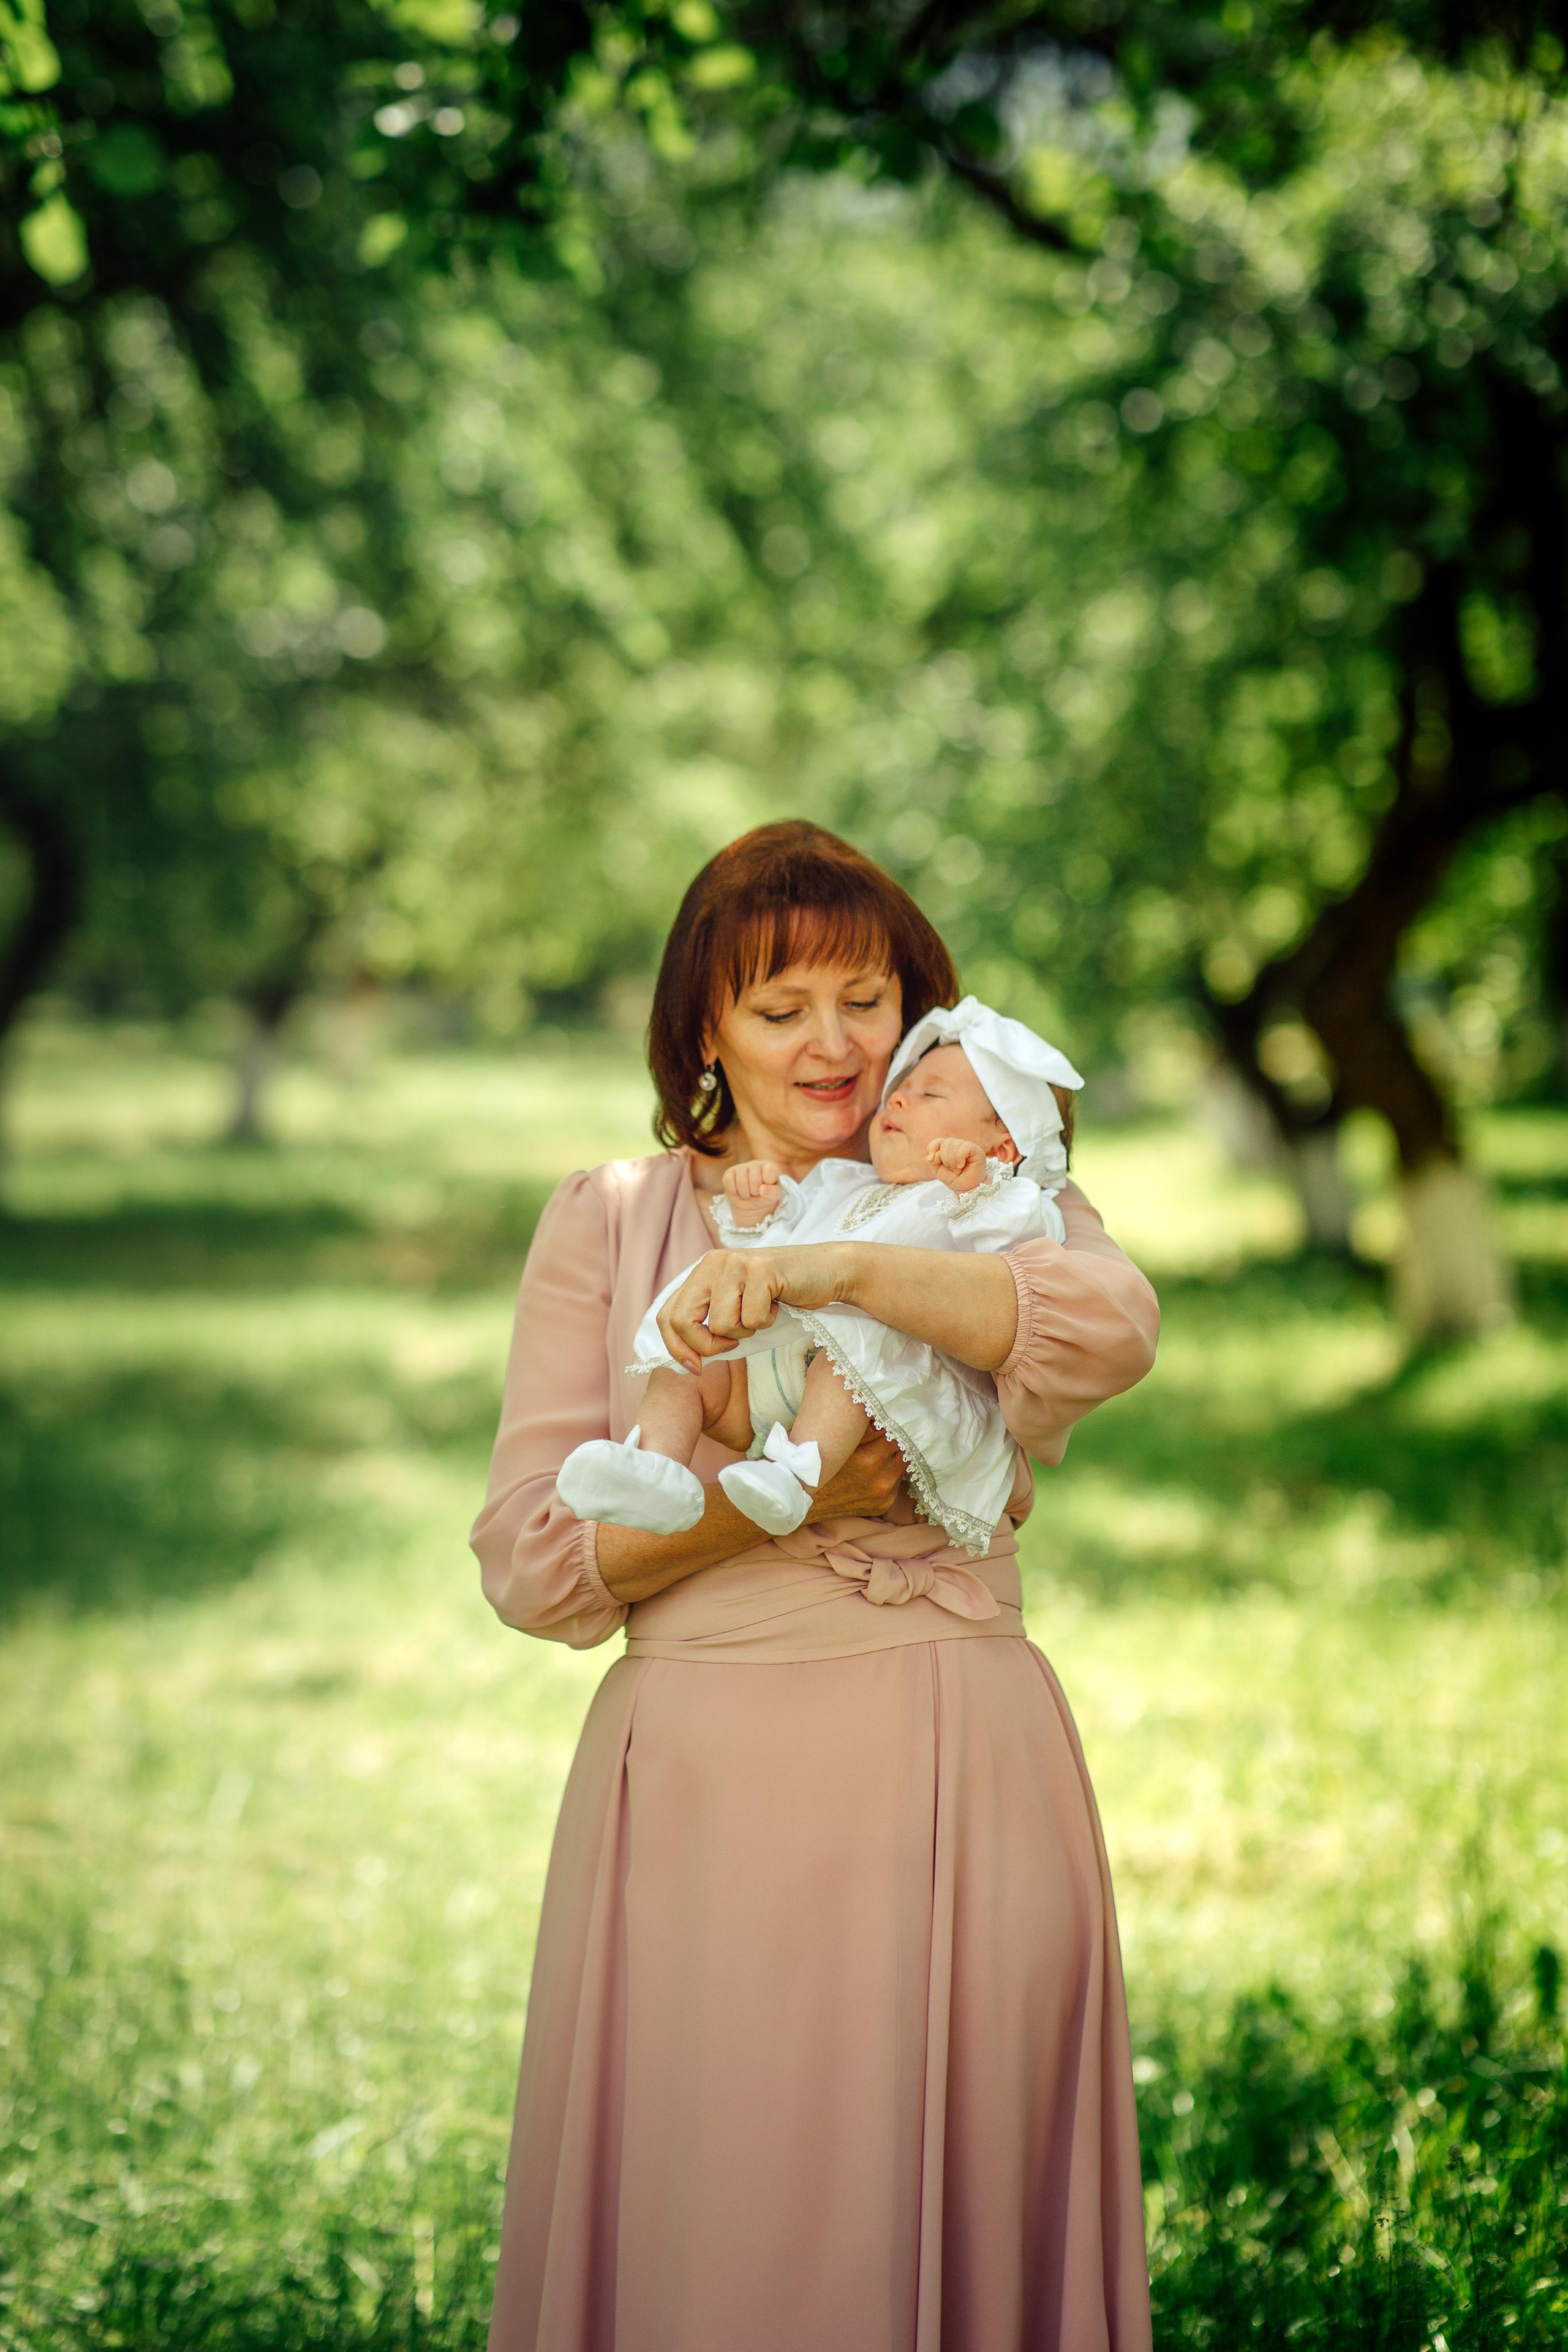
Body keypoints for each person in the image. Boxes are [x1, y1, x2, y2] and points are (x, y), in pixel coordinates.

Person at [472, 821, 1159, 2352]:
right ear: (702, 1031)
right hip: (704, 1796)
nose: (831, 1044)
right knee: (718, 2241)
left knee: (952, 2197)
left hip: (952, 1765)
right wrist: (754, 1511)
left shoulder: (990, 1184)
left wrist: (833, 1268)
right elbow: (531, 1561)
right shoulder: (609, 1215)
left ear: (916, 1000)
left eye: (863, 997)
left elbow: (1107, 1330)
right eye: (777, 1010)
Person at [554, 998, 1086, 1561]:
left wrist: (982, 1188)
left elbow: (1021, 1250)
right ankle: (654, 1468)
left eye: (930, 1094)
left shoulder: (1000, 1202)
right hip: (773, 1374)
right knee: (693, 1357)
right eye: (903, 1086)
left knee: (858, 1345)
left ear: (1003, 1147)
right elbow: (787, 1248)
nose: (899, 1097)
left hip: (869, 1393)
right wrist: (763, 1215)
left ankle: (793, 1476)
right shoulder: (848, 1181)